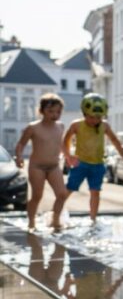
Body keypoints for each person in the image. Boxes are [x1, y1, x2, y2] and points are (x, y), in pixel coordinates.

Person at [62, 94, 123, 222]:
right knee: (70, 188)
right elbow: (65, 140)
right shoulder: (76, 125)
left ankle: (93, 219)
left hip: (98, 164)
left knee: (95, 192)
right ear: (84, 113)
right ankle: (56, 212)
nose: (94, 121)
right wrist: (68, 156)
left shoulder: (104, 126)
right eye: (91, 117)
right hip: (80, 163)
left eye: (98, 118)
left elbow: (114, 140)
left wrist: (122, 154)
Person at [13, 93, 71, 230]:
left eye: (58, 111)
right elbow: (21, 144)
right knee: (37, 196)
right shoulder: (33, 127)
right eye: (51, 111)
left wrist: (69, 156)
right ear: (42, 111)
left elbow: (60, 143)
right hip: (37, 167)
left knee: (62, 194)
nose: (55, 114)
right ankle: (31, 221)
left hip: (54, 166)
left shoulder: (60, 126)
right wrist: (19, 156)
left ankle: (55, 220)